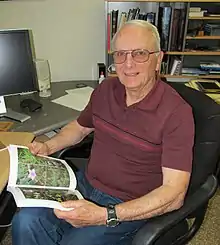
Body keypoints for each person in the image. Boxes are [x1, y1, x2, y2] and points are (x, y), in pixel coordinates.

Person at [12, 20, 194, 245]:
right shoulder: (106, 89)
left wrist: (106, 214)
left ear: (158, 59)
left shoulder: (177, 113)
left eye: (139, 53)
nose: (128, 64)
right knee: (26, 221)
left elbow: (174, 194)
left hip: (128, 205)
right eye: (120, 54)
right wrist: (48, 146)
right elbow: (79, 128)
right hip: (85, 185)